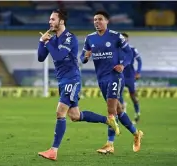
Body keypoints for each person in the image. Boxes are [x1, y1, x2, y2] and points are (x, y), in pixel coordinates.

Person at [37, 9, 119, 161]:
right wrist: (41, 42)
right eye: (50, 19)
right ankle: (108, 120)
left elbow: (59, 55)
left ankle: (53, 150)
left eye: (53, 19)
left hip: (71, 79)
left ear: (61, 21)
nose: (50, 22)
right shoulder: (53, 40)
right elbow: (41, 57)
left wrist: (47, 42)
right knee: (75, 116)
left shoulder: (70, 38)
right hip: (62, 80)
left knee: (60, 112)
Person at [80, 11, 144, 154]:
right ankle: (136, 133)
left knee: (111, 110)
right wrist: (85, 57)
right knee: (119, 110)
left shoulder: (116, 36)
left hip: (115, 76)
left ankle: (110, 144)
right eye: (95, 20)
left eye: (100, 19)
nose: (97, 22)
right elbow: (82, 57)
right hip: (101, 78)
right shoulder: (90, 38)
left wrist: (123, 65)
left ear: (107, 21)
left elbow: (129, 53)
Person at [121, 33, 142, 124]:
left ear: (128, 40)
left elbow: (139, 60)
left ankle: (137, 113)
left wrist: (138, 72)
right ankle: (123, 107)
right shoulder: (116, 50)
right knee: (117, 93)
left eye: (125, 39)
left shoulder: (133, 49)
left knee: (133, 96)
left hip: (130, 76)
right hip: (120, 75)